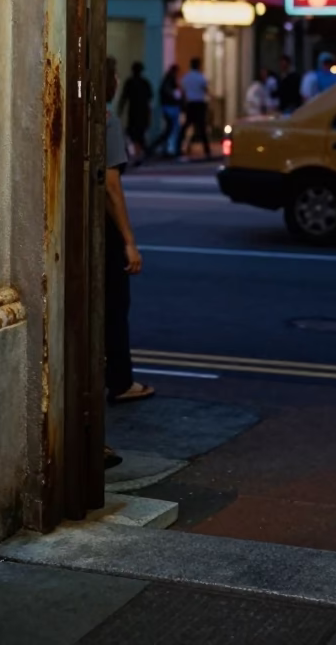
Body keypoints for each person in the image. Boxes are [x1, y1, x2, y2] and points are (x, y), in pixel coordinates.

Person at [104, 56, 154, 441]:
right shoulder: (106, 121)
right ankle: (121, 381)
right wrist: (129, 242)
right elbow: (111, 185)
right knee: (116, 307)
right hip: (103, 232)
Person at [117, 60, 153, 165]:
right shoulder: (144, 83)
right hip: (142, 112)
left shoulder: (130, 82)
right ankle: (141, 153)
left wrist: (120, 110)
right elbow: (150, 99)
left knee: (133, 134)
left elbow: (124, 98)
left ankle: (139, 154)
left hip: (134, 112)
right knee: (139, 134)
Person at [179, 57, 211, 157]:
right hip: (199, 103)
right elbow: (205, 89)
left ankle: (178, 146)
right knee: (201, 127)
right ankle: (207, 150)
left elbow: (182, 91)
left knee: (186, 126)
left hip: (190, 103)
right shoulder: (201, 77)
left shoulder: (186, 77)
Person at [150, 64, 182, 158]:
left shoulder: (166, 80)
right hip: (171, 107)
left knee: (170, 129)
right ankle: (168, 149)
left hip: (167, 107)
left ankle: (166, 149)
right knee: (171, 129)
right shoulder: (170, 81)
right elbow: (172, 93)